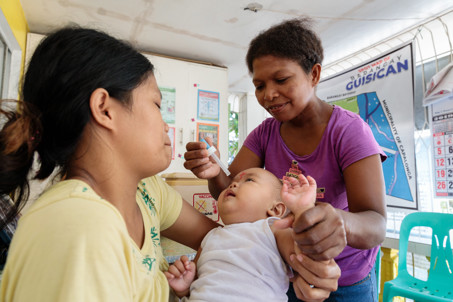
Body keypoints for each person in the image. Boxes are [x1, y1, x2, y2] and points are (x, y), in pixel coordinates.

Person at [0, 26, 339, 302]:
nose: (166, 125)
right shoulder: (79, 228)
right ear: (105, 109)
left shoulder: (147, 191)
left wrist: (298, 255)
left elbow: (227, 241)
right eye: (157, 105)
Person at [184, 18, 387, 302]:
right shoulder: (265, 133)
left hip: (346, 280)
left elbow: (376, 225)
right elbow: (229, 189)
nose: (268, 94)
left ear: (313, 75)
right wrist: (214, 172)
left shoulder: (348, 132)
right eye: (258, 85)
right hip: (286, 270)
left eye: (281, 80)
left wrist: (337, 221)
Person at [164, 167, 333, 301]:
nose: (233, 184)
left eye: (249, 180)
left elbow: (304, 251)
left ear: (275, 209)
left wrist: (302, 210)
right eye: (234, 181)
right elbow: (199, 281)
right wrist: (184, 286)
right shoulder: (210, 237)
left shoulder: (273, 230)